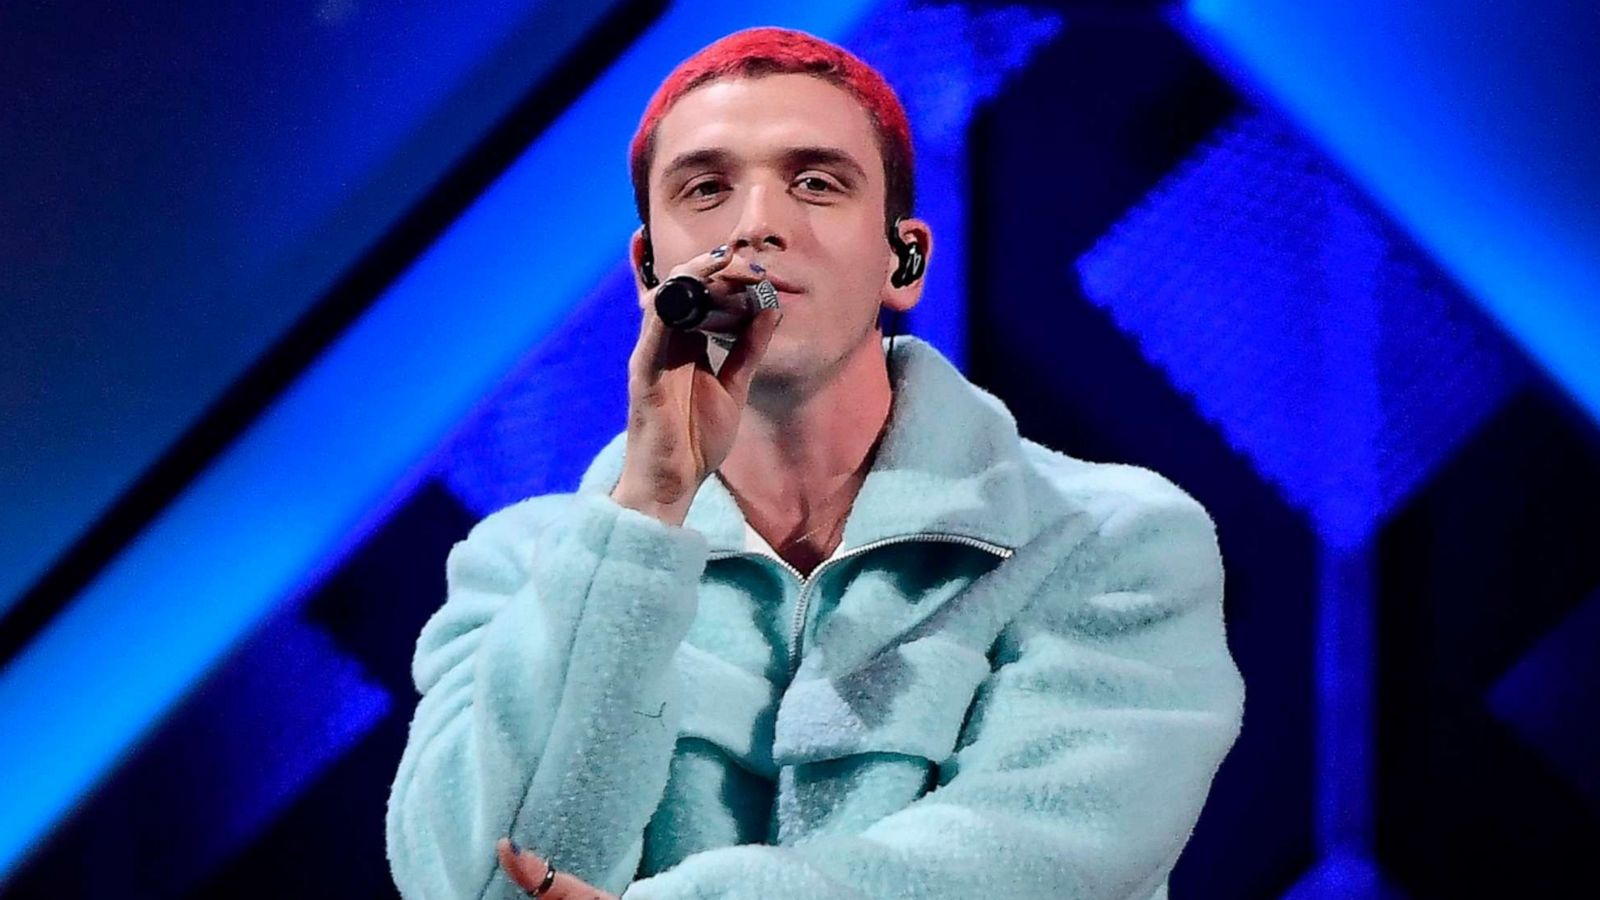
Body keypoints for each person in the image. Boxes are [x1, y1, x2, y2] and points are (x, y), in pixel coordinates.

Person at [386, 26, 1244, 900]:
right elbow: (474, 884)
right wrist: (646, 509)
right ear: (651, 269)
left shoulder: (1107, 541)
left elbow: (1036, 861)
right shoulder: (519, 565)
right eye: (708, 188)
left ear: (902, 260)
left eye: (816, 183)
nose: (757, 225)